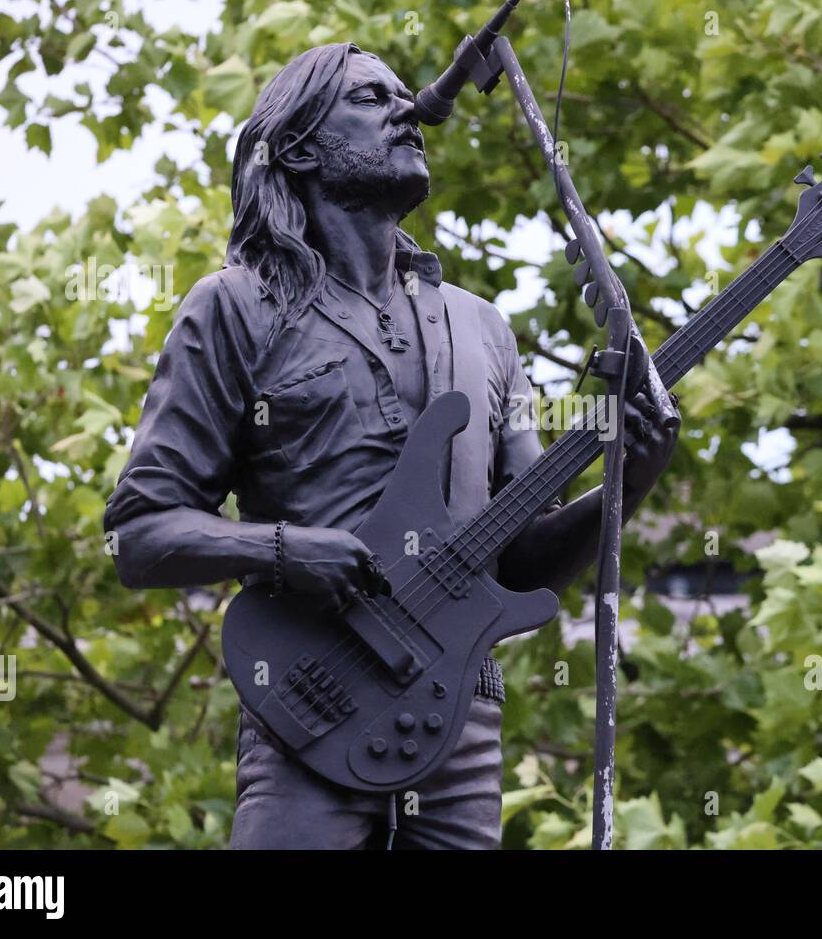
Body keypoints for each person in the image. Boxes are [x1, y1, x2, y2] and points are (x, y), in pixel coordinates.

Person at [103, 42, 678, 849]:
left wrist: (634, 475)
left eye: (405, 96)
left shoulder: (484, 329)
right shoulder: (235, 307)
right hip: (313, 706)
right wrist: (283, 549)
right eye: (371, 99)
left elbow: (521, 563)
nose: (406, 112)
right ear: (300, 146)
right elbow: (139, 533)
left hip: (461, 725)